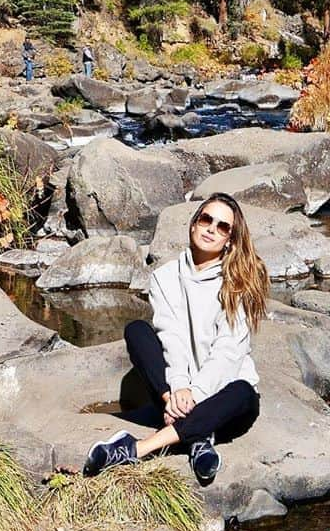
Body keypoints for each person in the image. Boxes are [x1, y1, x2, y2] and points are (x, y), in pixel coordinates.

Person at [84, 193, 270, 486]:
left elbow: (229, 352)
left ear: (230, 240)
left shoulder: (239, 283)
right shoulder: (164, 277)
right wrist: (177, 390)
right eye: (206, 219)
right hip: (175, 393)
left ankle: (135, 448)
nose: (211, 229)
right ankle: (199, 439)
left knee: (245, 392)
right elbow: (172, 338)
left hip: (220, 394)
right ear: (193, 224)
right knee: (137, 331)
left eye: (223, 227)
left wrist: (194, 394)